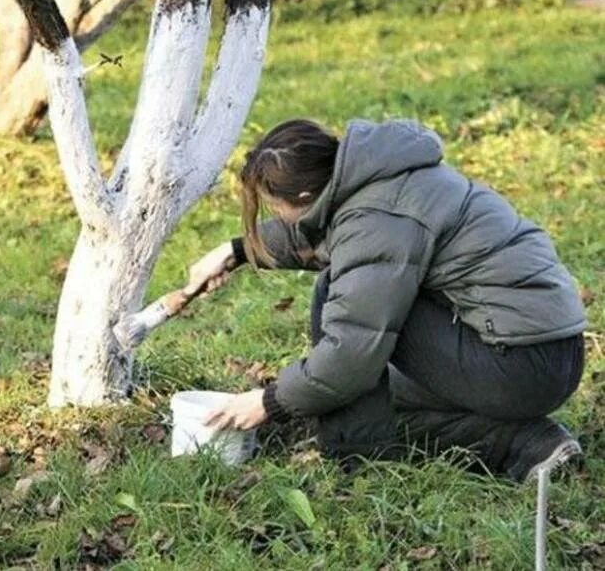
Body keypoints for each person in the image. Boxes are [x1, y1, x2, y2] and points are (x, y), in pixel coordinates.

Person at [191, 118, 586, 482]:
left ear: (309, 194)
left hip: (520, 367)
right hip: (547, 353)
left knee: (345, 333)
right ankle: (537, 444)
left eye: (278, 208)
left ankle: (360, 453)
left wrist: (268, 400)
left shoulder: (376, 217)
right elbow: (322, 234)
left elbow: (350, 353)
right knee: (379, 397)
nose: (279, 216)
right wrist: (237, 250)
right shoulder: (387, 176)